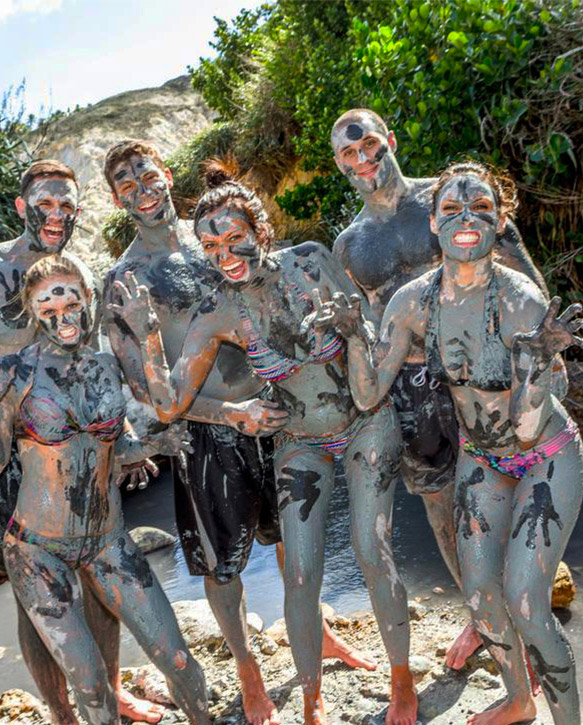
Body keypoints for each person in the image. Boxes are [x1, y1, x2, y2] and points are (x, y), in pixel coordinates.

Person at [110, 164, 418, 725]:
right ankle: (309, 698)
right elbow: (169, 402)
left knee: (372, 552)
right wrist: (147, 333)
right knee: (299, 571)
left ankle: (402, 681)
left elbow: (370, 334)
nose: (225, 253)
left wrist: (354, 331)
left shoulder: (311, 260)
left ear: (260, 228)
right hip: (296, 437)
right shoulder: (218, 310)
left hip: (365, 419)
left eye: (235, 238)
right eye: (211, 246)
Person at [316, 162, 583, 725]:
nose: (466, 219)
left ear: (500, 220)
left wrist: (536, 364)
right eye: (452, 210)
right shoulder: (413, 301)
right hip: (481, 458)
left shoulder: (520, 300)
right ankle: (518, 700)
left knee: (528, 602)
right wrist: (351, 339)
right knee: (483, 600)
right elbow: (368, 396)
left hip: (544, 456)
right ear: (433, 223)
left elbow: (531, 427)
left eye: (481, 209)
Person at [0, 160, 164, 723]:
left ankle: (109, 694)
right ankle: (62, 714)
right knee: (33, 588)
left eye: (66, 205)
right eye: (44, 204)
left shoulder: (74, 273)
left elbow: (96, 366)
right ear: (23, 207)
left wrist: (121, 433)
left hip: (77, 441)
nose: (55, 215)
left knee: (99, 566)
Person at [0, 254, 212, 725]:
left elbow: (114, 443)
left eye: (70, 303)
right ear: (34, 313)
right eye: (49, 309)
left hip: (107, 539)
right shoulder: (16, 372)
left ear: (87, 300)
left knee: (178, 658)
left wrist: (155, 444)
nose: (62, 318)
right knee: (90, 682)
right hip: (38, 551)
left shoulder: (105, 366)